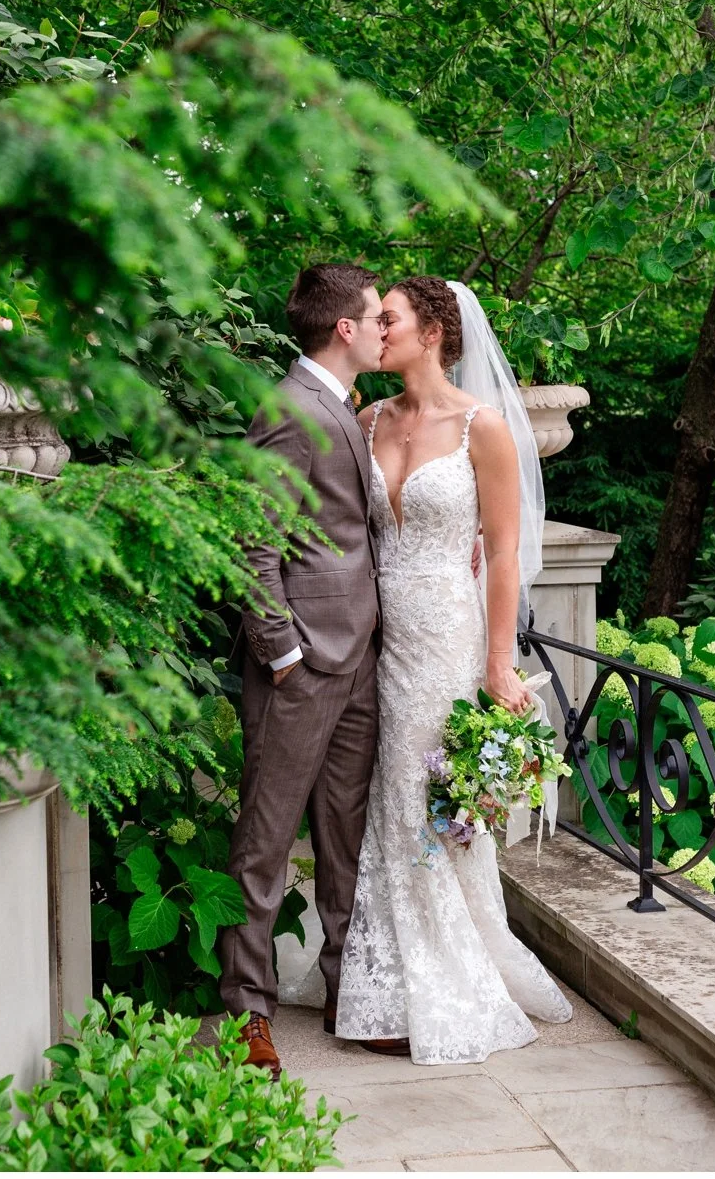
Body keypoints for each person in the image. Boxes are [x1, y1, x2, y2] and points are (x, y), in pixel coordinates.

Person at [333, 275, 572, 1064]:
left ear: (432, 329)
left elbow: (503, 552)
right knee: (387, 792)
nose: (377, 329)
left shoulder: (485, 429)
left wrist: (499, 664)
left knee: (428, 792)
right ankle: (387, 972)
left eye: (389, 317)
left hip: (445, 634)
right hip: (376, 637)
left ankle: (438, 978)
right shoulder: (365, 420)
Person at [219, 262, 388, 1077]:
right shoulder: (289, 408)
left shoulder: (347, 407)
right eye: (374, 314)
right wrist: (280, 650)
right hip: (301, 663)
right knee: (266, 840)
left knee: (345, 836)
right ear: (345, 329)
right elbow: (253, 538)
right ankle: (246, 1014)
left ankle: (345, 994)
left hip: (358, 659)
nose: (385, 325)